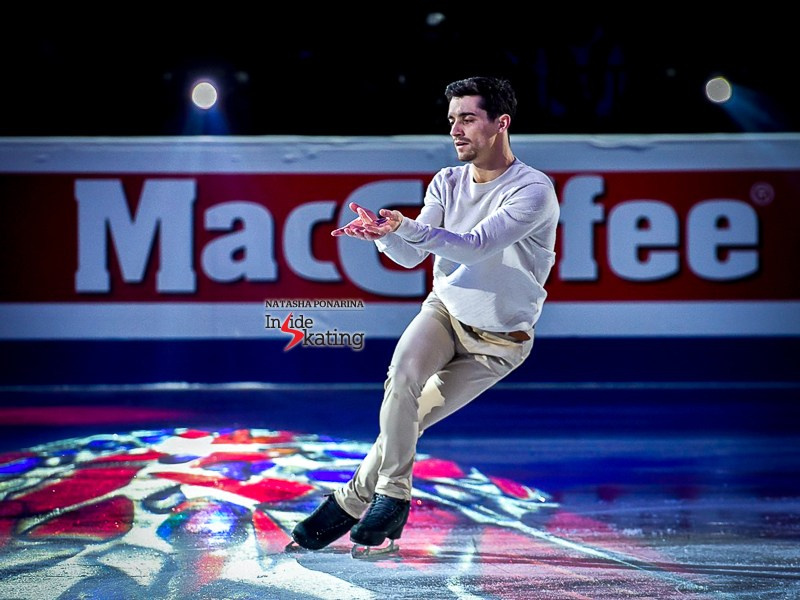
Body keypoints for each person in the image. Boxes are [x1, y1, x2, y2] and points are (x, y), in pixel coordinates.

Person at [290, 76, 560, 554]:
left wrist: (406, 227)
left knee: (408, 420)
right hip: (444, 311)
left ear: (501, 124)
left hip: (499, 344)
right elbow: (413, 256)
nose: (455, 130)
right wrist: (384, 234)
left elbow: (474, 248)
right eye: (452, 119)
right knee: (401, 378)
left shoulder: (532, 191)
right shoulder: (446, 181)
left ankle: (349, 504)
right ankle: (393, 496)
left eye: (468, 119)